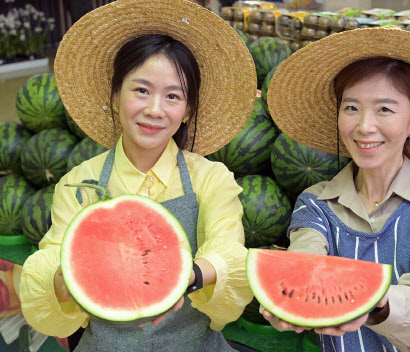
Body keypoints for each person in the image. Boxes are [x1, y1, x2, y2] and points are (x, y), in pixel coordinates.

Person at [19, 0, 257, 351]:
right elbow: (50, 262)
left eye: (172, 96)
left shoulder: (211, 178)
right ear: (116, 95)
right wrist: (68, 280)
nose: (154, 110)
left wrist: (184, 278)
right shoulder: (79, 183)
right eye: (141, 90)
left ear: (188, 110)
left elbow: (231, 256)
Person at [263, 26, 410, 351]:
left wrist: (373, 301)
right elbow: (304, 263)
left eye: (385, 109)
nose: (364, 127)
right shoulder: (315, 203)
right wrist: (287, 294)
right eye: (351, 107)